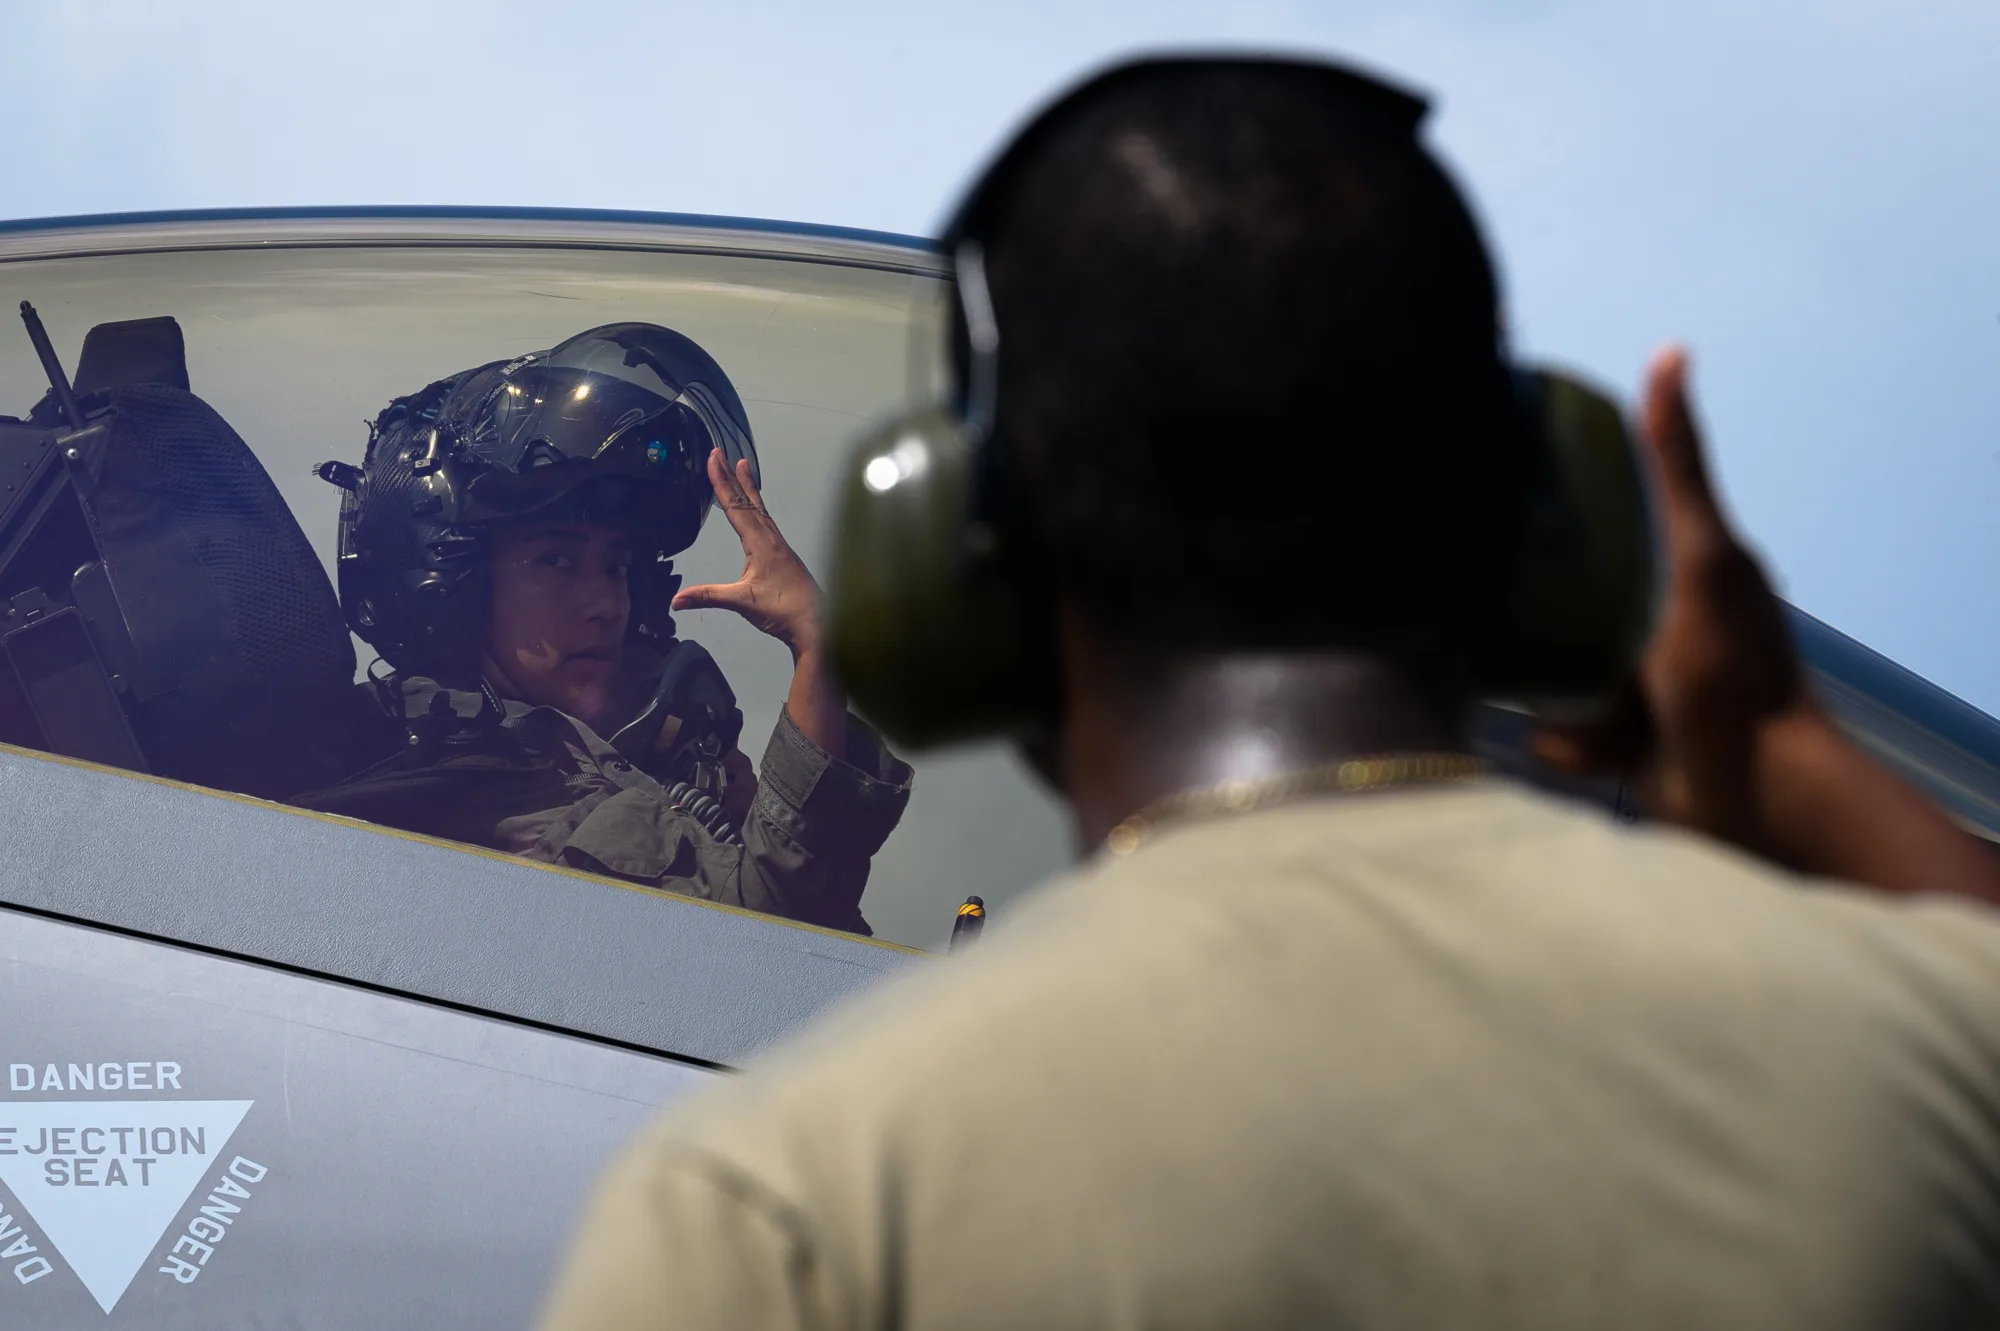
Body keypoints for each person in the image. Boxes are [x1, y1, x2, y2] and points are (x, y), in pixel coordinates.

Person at [535, 56, 2000, 1330]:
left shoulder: (781, 1218)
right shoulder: (1931, 1063)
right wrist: (1785, 753)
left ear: (959, 554)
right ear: (1542, 521)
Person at [291, 323, 911, 935]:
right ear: (459, 586)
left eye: (616, 567)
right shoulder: (489, 797)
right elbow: (774, 935)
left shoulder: (597, 746)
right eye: (555, 561)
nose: (605, 604)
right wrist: (817, 647)